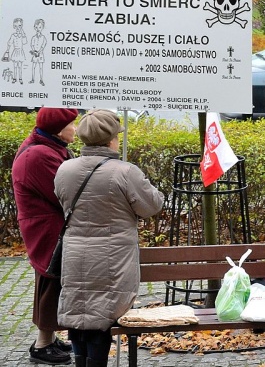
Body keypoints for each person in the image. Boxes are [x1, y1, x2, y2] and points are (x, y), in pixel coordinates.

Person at [55, 109, 164, 367]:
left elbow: (62, 201)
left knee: (79, 313)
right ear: (111, 139)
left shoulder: (65, 169)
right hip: (112, 257)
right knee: (101, 318)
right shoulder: (125, 171)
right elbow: (152, 206)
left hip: (75, 253)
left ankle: (81, 362)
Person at [12, 107, 79, 365]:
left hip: (49, 226)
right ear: (58, 130)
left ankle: (48, 339)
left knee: (51, 280)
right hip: (47, 229)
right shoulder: (39, 155)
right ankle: (42, 345)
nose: (76, 128)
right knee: (50, 282)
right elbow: (63, 193)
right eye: (72, 124)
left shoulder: (46, 146)